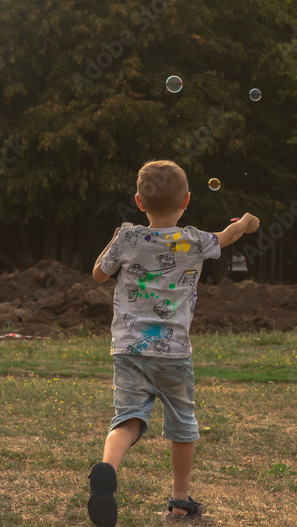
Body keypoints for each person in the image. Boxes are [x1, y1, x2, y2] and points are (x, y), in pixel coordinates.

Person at [87, 160, 259, 524]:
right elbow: (226, 238)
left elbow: (99, 274)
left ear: (138, 200)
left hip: (129, 349)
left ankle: (107, 467)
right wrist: (244, 223)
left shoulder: (128, 237)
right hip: (174, 352)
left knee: (128, 418)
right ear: (186, 201)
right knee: (182, 423)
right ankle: (180, 500)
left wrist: (119, 237)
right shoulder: (194, 240)